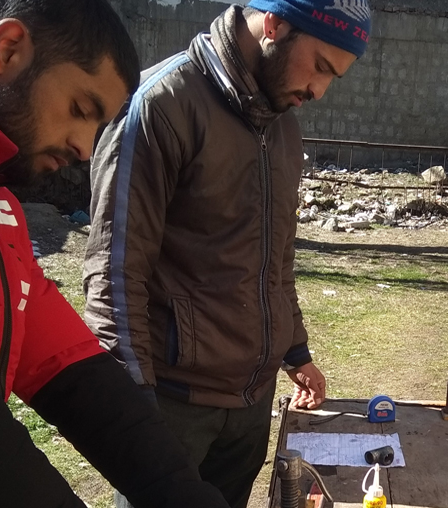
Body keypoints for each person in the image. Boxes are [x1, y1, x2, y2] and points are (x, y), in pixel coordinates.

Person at [83, 0, 371, 505]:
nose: (319, 90)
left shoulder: (282, 125)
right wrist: (136, 406)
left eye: (334, 77)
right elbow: (114, 270)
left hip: (250, 405)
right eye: (320, 66)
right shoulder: (161, 106)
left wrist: (295, 351)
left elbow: (276, 259)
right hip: (172, 407)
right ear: (274, 24)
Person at [0, 1, 232, 506]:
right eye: (81, 110)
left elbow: (67, 366)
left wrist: (181, 492)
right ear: (8, 49)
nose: (85, 148)